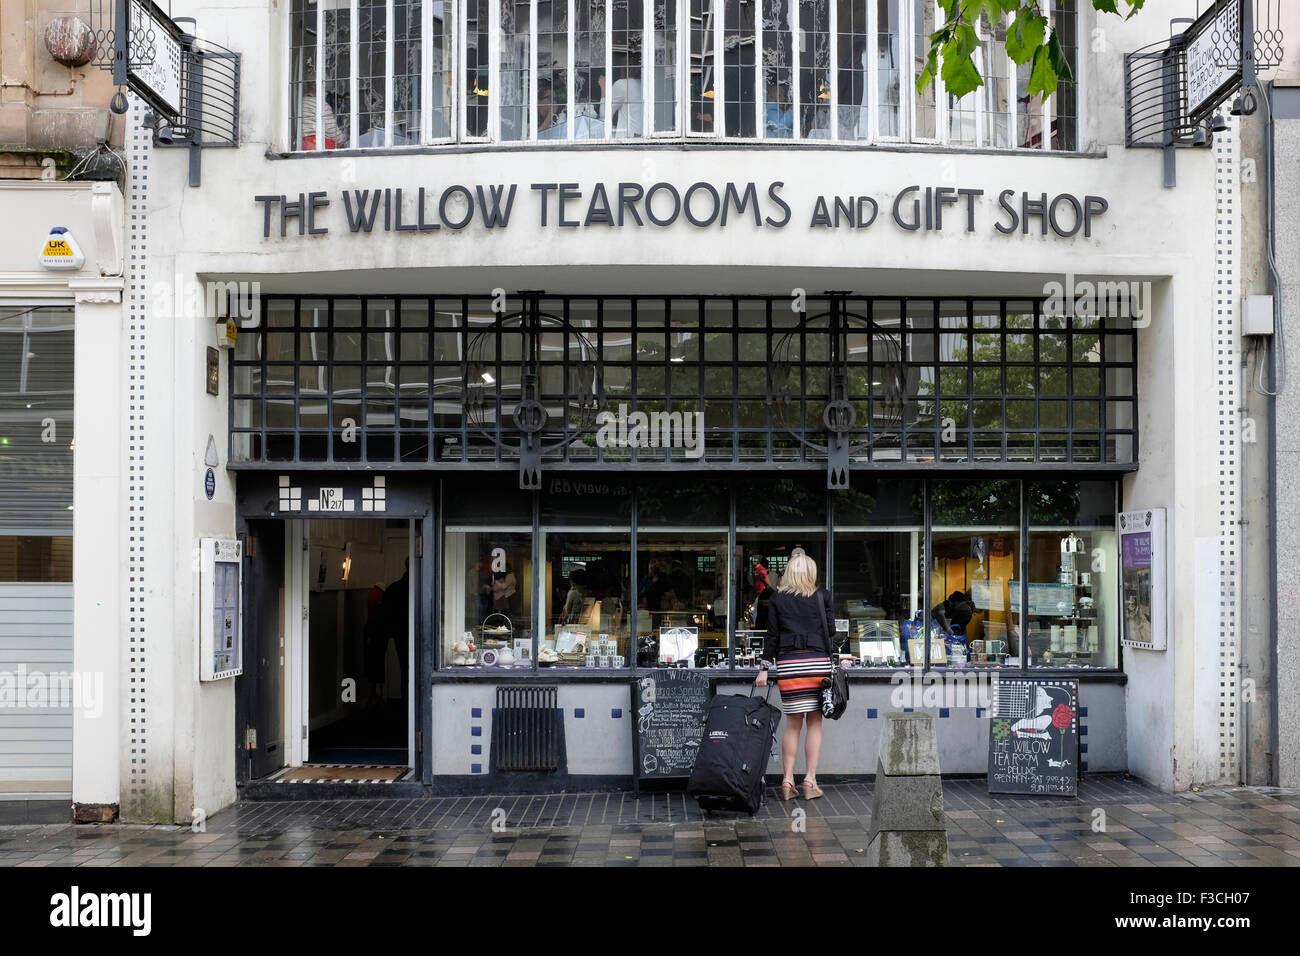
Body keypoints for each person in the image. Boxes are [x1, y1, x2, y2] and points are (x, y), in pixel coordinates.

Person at [756, 552, 835, 800]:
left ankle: (788, 780)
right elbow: (831, 630)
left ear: (789, 572)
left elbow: (772, 637)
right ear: (811, 573)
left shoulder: (778, 600)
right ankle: (810, 780)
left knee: (792, 725)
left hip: (789, 665)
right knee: (814, 723)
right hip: (816, 663)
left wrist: (764, 668)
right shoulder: (823, 597)